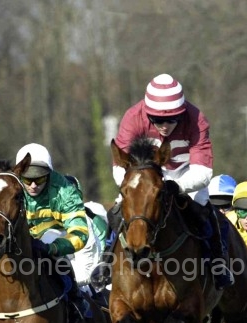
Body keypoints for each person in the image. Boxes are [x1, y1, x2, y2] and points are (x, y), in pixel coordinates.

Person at [97, 73, 228, 290]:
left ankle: (217, 262)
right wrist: (134, 187)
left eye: (172, 120)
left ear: (182, 113)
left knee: (203, 209)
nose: (165, 126)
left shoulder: (197, 120)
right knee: (119, 209)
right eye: (157, 121)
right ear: (147, 114)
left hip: (186, 175)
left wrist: (176, 187)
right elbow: (120, 165)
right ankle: (105, 262)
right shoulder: (133, 117)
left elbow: (204, 171)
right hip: (145, 177)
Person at [0, 142, 92, 323]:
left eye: (40, 179)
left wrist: (51, 248)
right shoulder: (11, 186)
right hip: (19, 238)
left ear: (49, 174)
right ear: (20, 174)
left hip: (54, 239)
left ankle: (75, 301)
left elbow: (80, 233)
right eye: (28, 180)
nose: (34, 185)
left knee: (49, 236)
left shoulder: (66, 190)